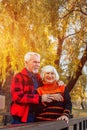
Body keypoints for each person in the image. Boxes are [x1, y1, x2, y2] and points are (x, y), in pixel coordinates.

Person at [10, 52, 55, 124]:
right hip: (21, 117)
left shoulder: (39, 77)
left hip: (37, 116)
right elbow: (18, 97)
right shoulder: (19, 76)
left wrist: (58, 83)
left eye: (38, 62)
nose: (37, 65)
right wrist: (39, 98)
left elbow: (49, 85)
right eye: (34, 62)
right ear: (26, 63)